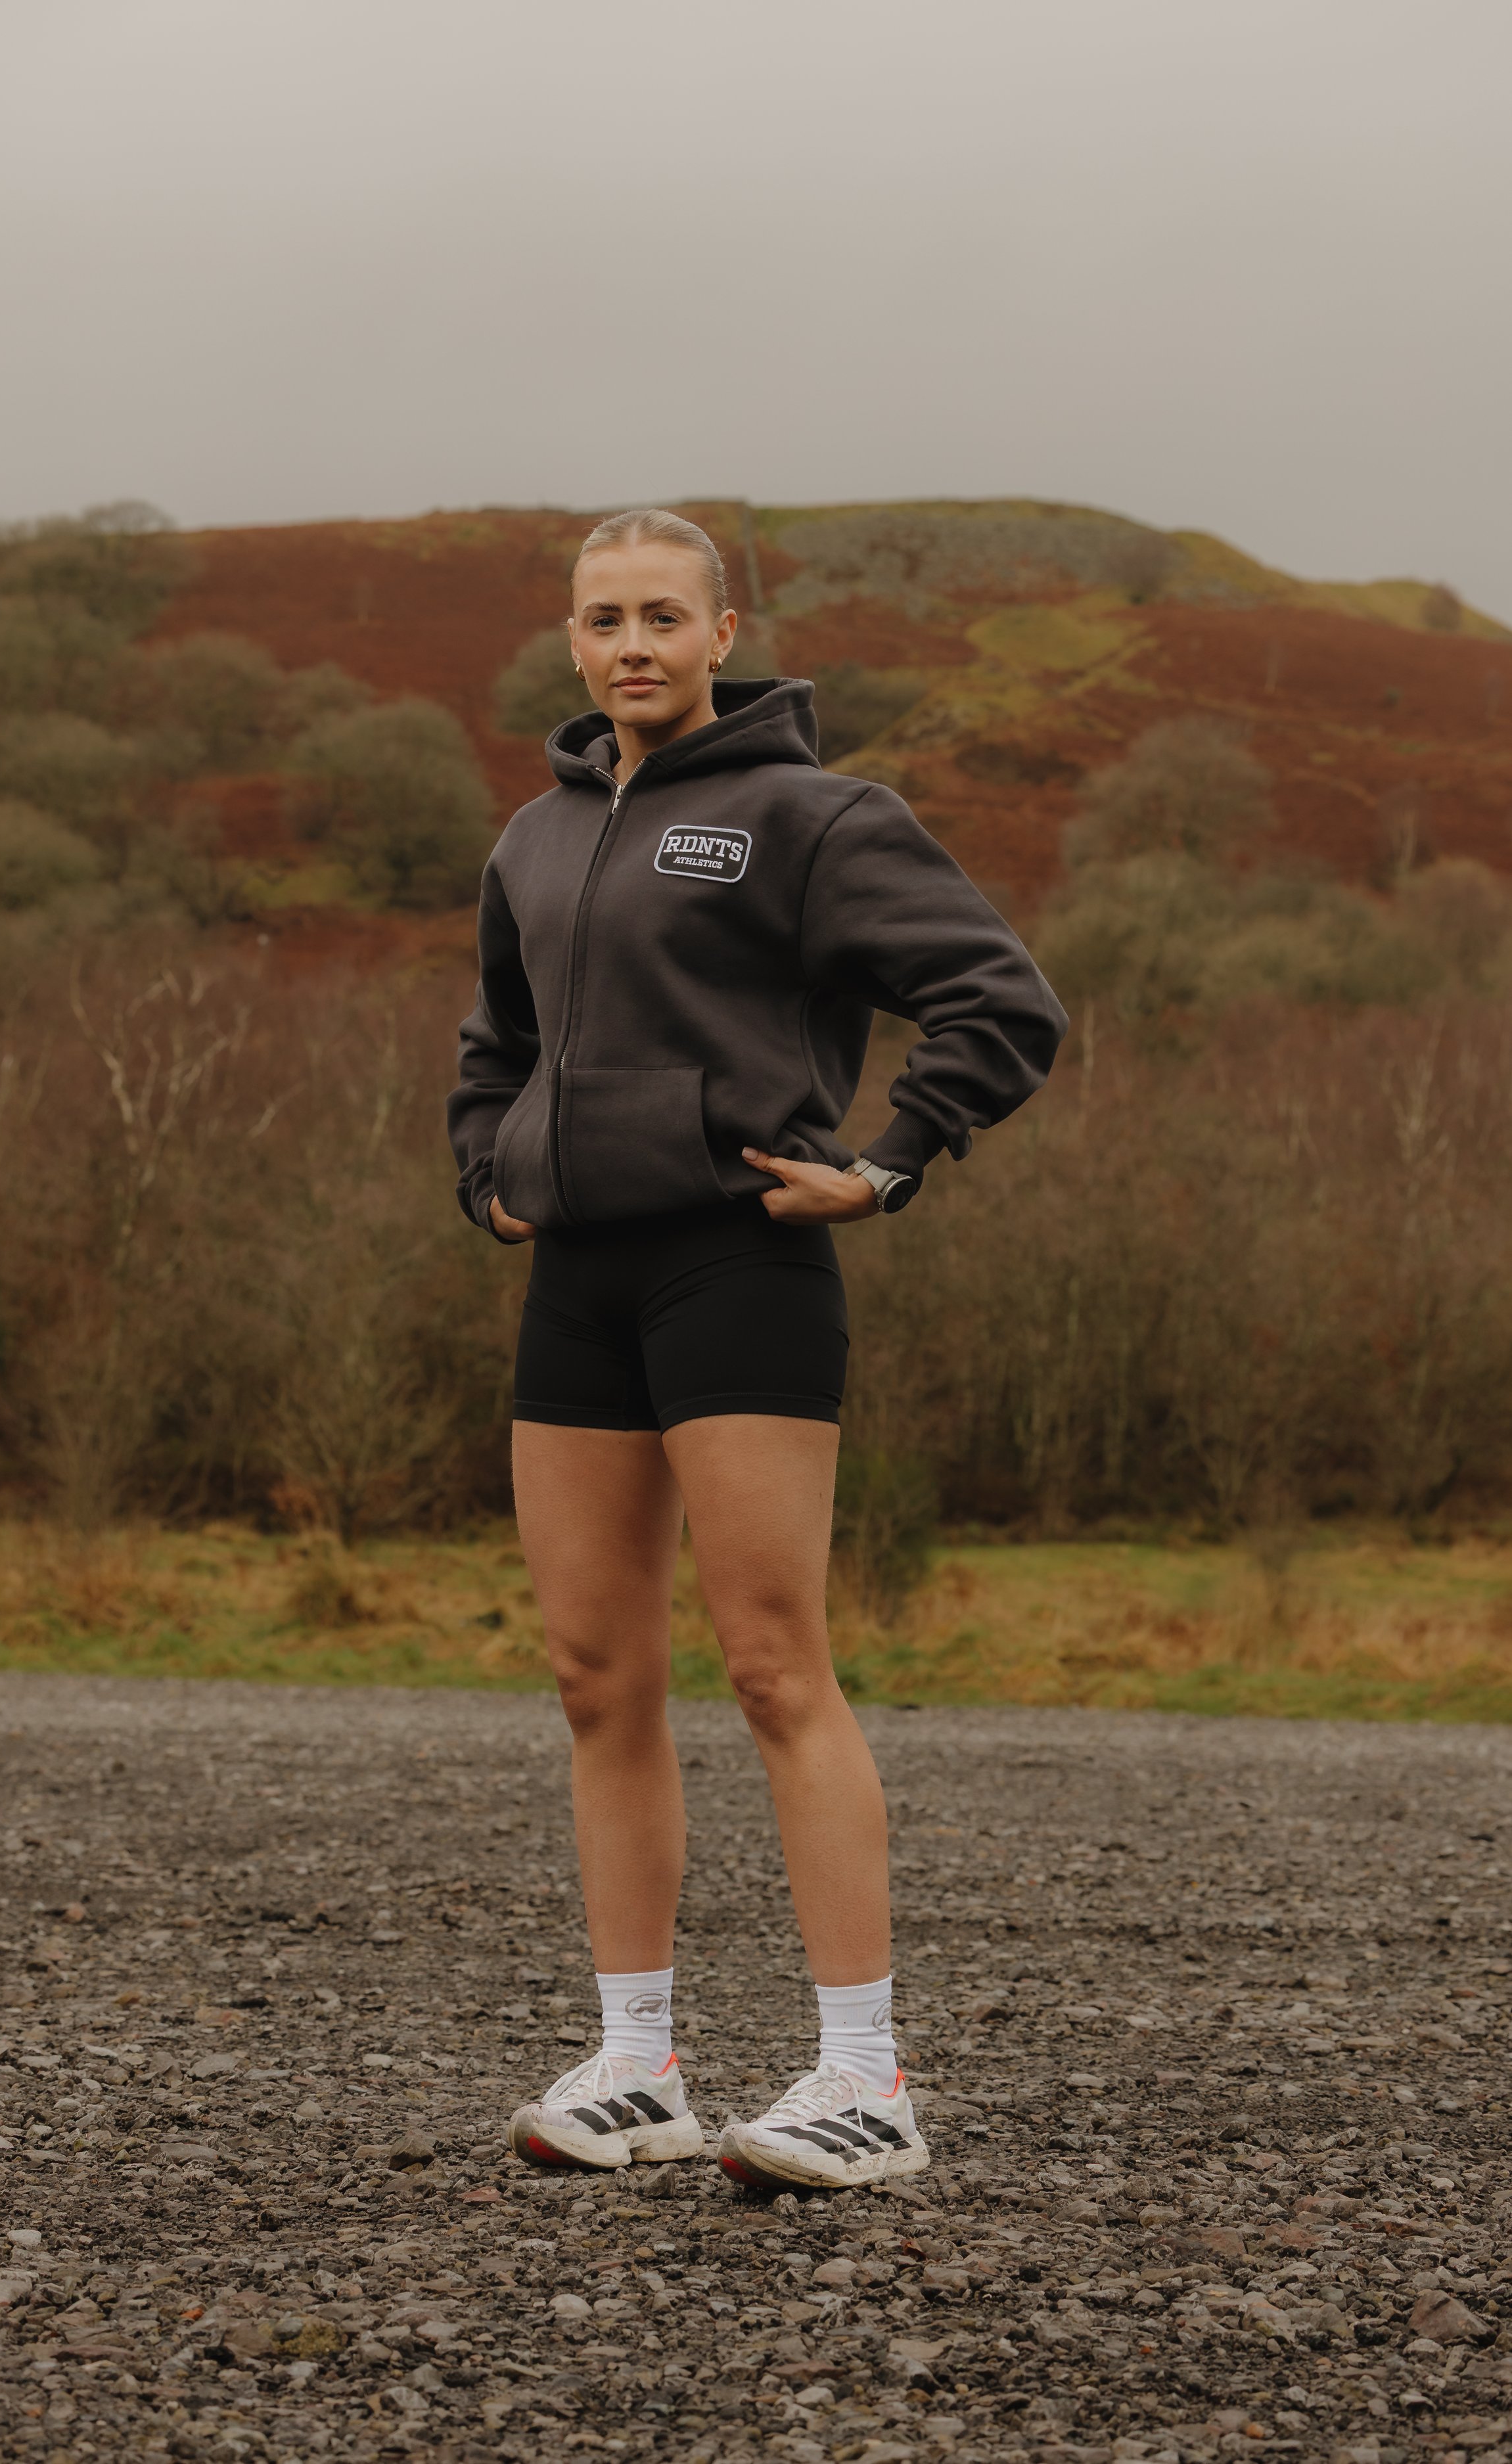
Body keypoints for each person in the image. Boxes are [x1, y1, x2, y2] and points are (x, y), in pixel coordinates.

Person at [447, 508, 1066, 2191]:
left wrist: (887, 1159)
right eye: (602, 618)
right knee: (594, 1680)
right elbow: (490, 1044)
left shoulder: (815, 818)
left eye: (662, 614)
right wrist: (483, 1170)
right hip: (573, 1279)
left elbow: (1001, 1002)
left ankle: (864, 2078)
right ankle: (637, 2062)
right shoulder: (531, 840)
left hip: (739, 1269)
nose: (630, 643)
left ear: (725, 631)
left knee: (775, 1666)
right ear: (569, 642)